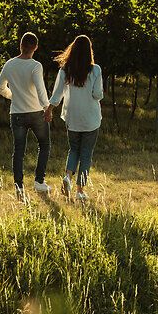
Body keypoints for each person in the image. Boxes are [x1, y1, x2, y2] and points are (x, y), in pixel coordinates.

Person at [0, 32, 52, 200]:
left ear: (20, 45)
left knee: (19, 150)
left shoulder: (9, 64)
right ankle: (39, 181)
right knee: (44, 145)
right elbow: (41, 91)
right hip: (36, 113)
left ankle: (19, 186)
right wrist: (47, 108)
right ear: (35, 47)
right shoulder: (35, 66)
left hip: (17, 113)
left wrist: (13, 95)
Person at [48, 34, 103, 202]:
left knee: (74, 149)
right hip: (90, 118)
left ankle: (67, 177)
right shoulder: (95, 70)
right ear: (89, 51)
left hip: (72, 117)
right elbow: (97, 94)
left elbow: (57, 94)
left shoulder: (65, 70)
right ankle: (80, 190)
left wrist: (49, 110)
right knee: (86, 153)